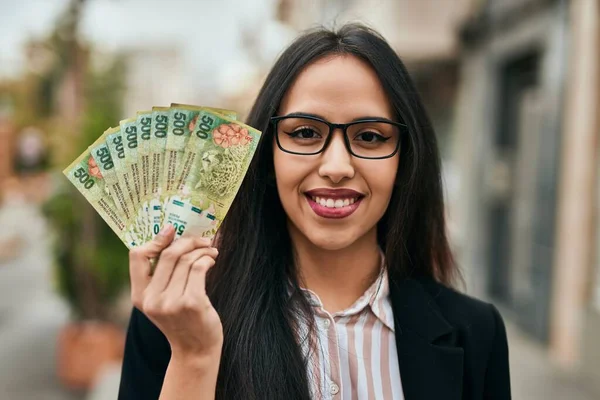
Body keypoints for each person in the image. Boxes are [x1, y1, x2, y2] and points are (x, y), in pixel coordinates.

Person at [118, 24, 511, 400]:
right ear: (266, 155)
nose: (336, 166)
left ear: (405, 161)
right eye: (305, 133)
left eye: (370, 136)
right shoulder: (177, 318)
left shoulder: (475, 332)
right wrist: (194, 356)